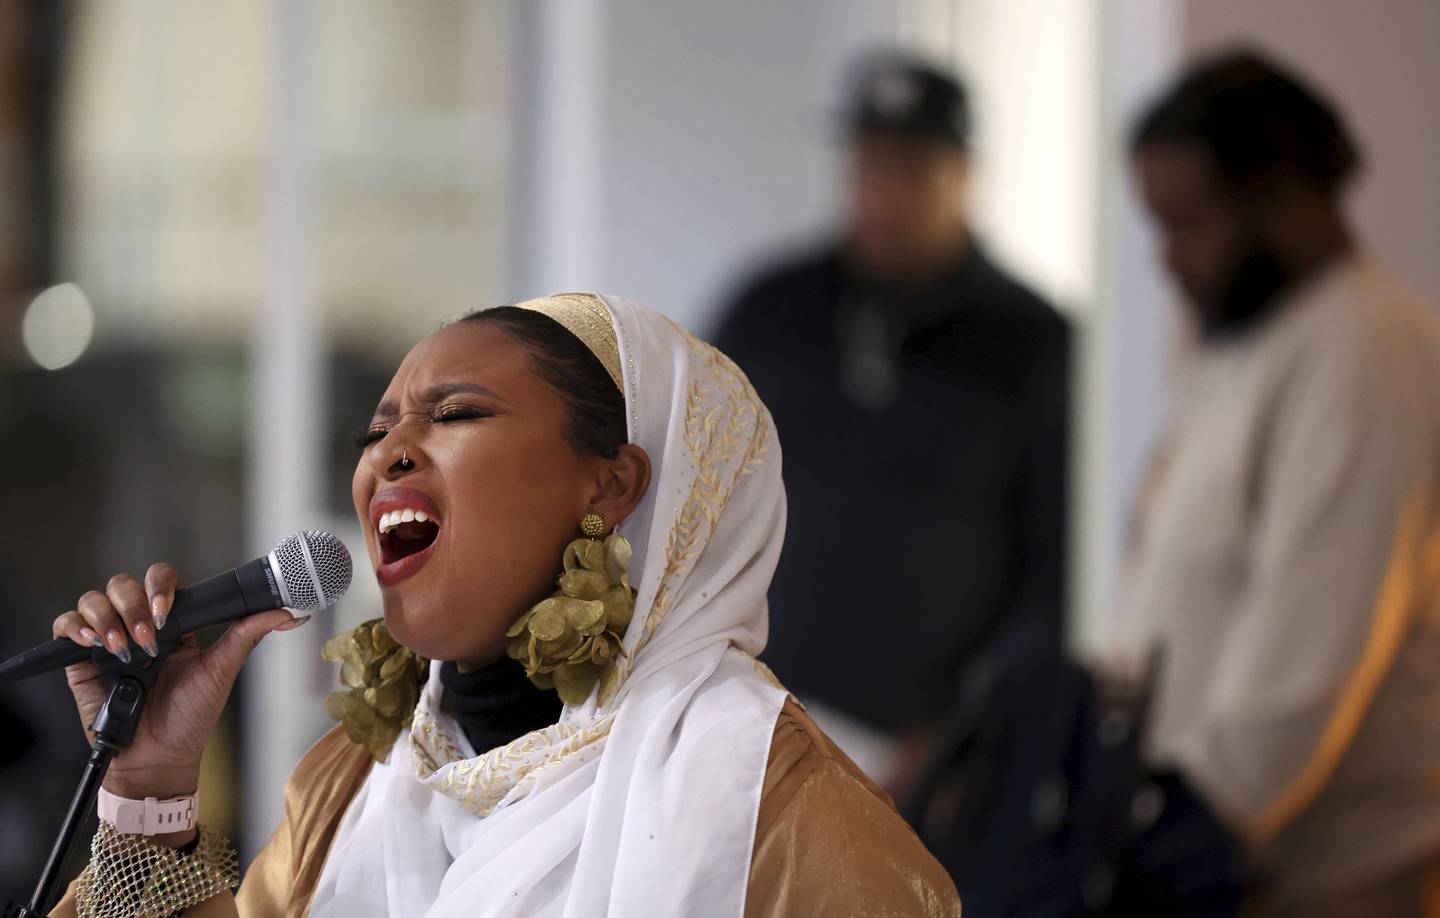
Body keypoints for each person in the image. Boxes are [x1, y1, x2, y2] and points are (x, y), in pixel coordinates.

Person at [46, 293, 961, 916]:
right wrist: (150, 789)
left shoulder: (776, 805)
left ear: (613, 484)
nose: (387, 452)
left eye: (455, 414)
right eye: (376, 428)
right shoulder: (354, 784)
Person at [1119, 49, 1440, 916]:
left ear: (1285, 199)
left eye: (1187, 224)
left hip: (1331, 884)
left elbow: (1307, 668)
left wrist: (1163, 842)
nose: (1166, 259)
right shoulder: (1261, 339)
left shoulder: (1365, 350)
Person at [714, 49, 1070, 792]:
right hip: (750, 722)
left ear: (963, 175)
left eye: (911, 171)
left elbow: (1052, 568)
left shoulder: (1033, 342)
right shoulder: (770, 311)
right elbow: (693, 496)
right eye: (868, 167)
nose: (883, 195)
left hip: (934, 759)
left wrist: (962, 730)